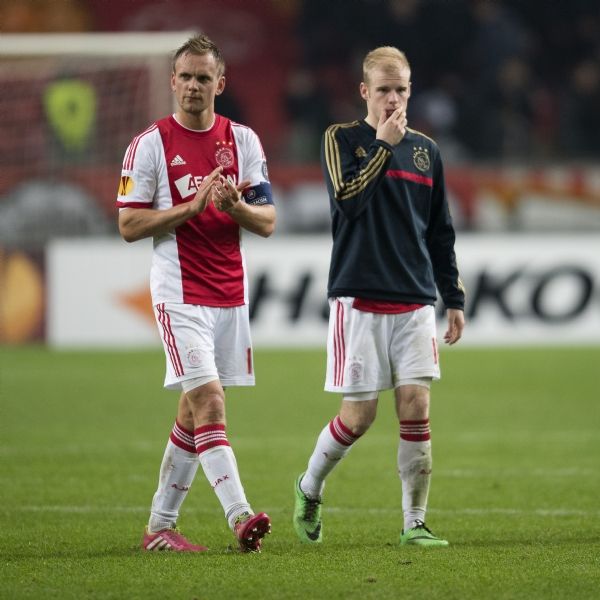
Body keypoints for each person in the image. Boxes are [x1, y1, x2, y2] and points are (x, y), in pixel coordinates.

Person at [292, 46, 465, 547]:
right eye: (384, 89)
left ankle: (415, 522)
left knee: (416, 406)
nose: (393, 99)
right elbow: (348, 202)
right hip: (359, 297)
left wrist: (452, 297)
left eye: (401, 89)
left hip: (415, 298)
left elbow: (440, 231)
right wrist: (383, 146)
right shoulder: (341, 139)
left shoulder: (427, 152)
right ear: (364, 91)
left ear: (410, 91)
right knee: (359, 417)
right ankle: (309, 486)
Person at [117, 34, 276, 553]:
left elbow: (267, 221)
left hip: (229, 294)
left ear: (219, 84)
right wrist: (190, 208)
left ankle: (159, 528)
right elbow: (128, 224)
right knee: (209, 400)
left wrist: (235, 209)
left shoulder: (243, 141)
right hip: (179, 294)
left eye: (203, 77)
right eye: (185, 76)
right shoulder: (149, 144)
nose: (193, 85)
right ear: (172, 81)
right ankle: (240, 516)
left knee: (192, 410)